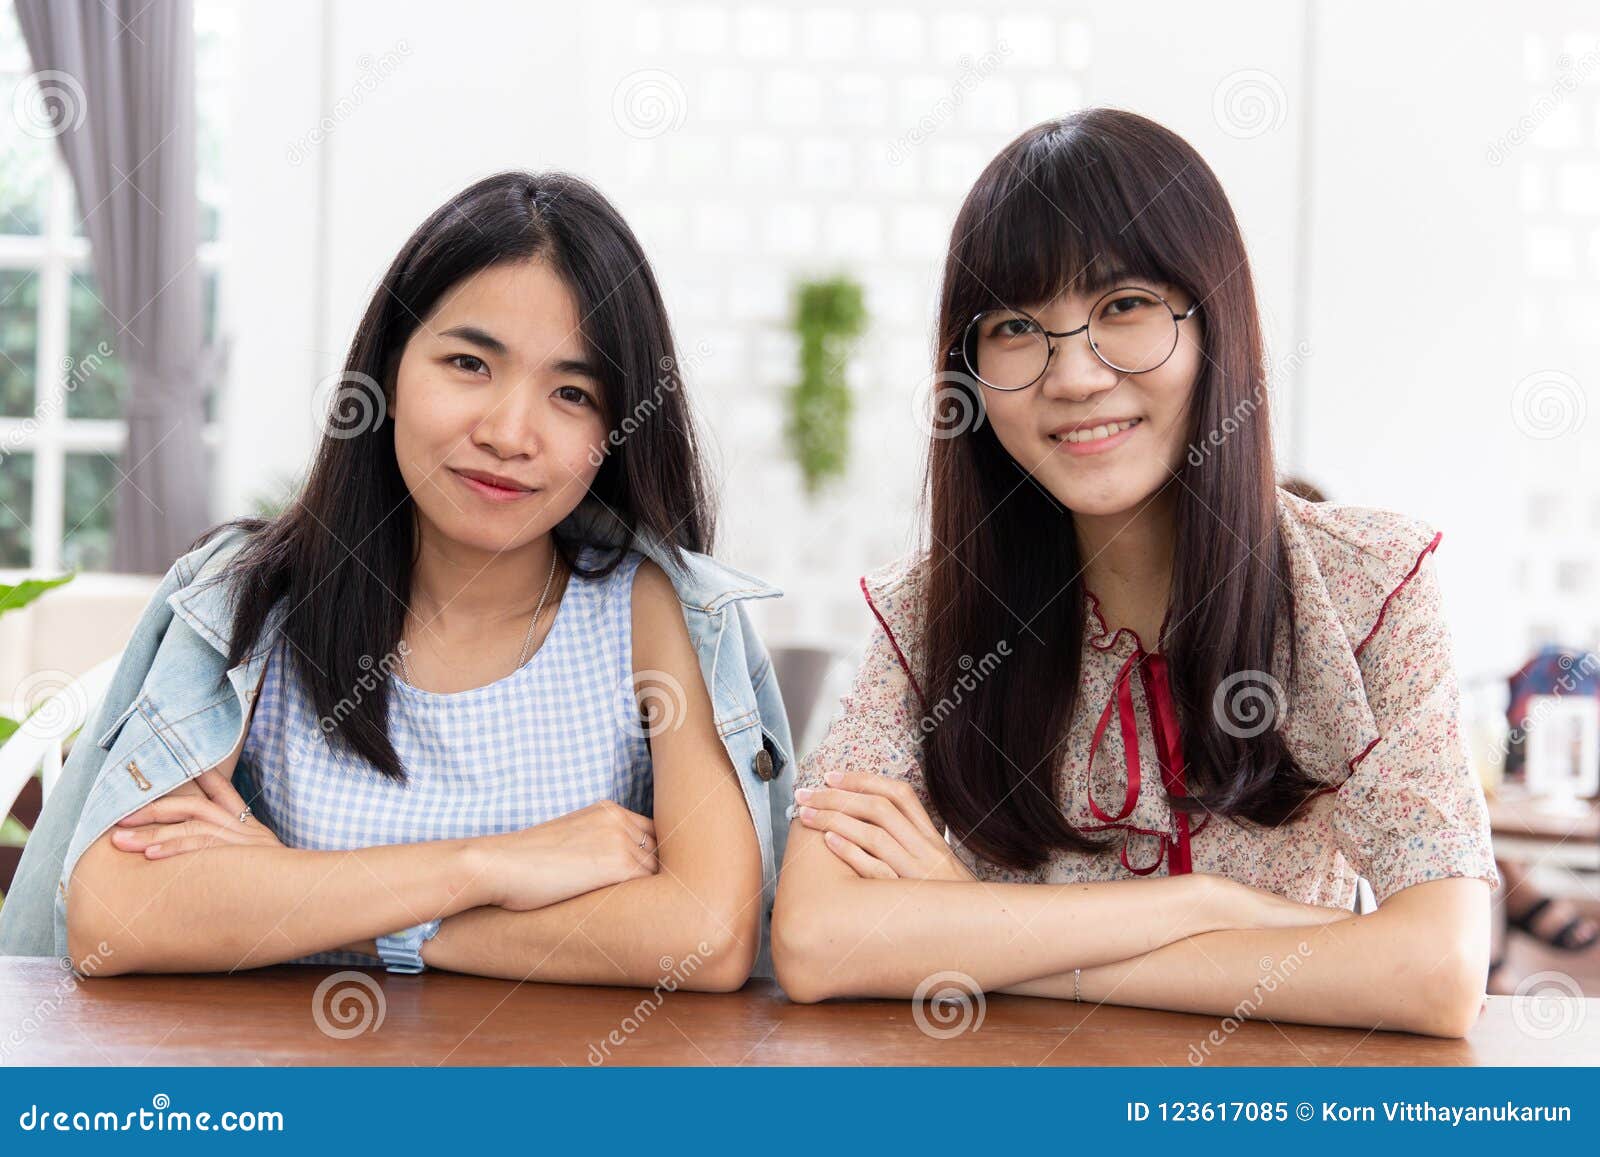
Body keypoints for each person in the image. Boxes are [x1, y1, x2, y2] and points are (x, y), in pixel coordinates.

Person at [771, 110, 1499, 1038]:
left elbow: (1435, 973)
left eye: (1123, 308)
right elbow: (818, 939)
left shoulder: (1367, 588)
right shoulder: (929, 615)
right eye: (1017, 327)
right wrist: (1200, 907)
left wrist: (984, 938)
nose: (1073, 375)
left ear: (1214, 326)